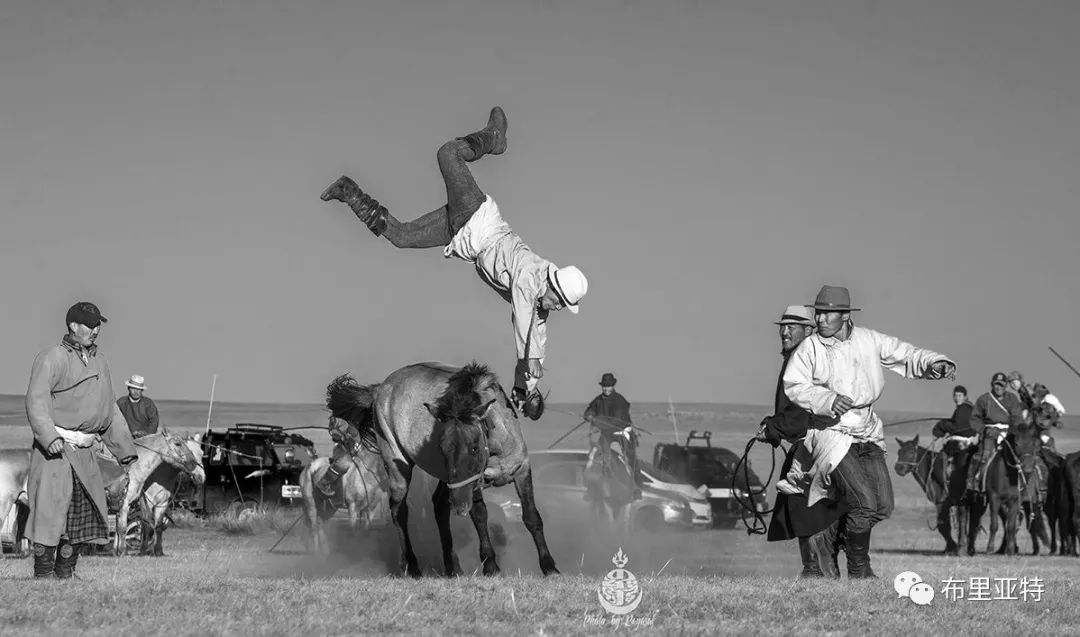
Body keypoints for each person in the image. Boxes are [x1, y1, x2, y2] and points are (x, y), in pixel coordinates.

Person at [320, 107, 588, 421]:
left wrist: (526, 388)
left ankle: (349, 192)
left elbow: (534, 334)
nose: (557, 308)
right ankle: (493, 138)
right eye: (561, 303)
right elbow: (526, 324)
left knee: (402, 237)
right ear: (554, 287)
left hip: (463, 232)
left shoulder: (538, 300)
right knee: (448, 154)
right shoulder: (531, 279)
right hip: (477, 216)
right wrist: (531, 368)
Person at [783, 286, 956, 579]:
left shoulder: (869, 340)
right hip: (832, 434)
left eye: (828, 313)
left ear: (845, 315)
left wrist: (934, 362)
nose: (821, 319)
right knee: (863, 502)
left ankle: (826, 539)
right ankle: (859, 570)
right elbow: (795, 385)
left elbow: (905, 354)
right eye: (819, 313)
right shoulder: (809, 348)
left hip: (867, 431)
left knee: (882, 504)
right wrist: (827, 400)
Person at [24, 302, 138, 578]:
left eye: (98, 324)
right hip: (57, 450)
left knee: (82, 515)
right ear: (73, 326)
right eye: (90, 324)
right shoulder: (52, 357)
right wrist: (48, 435)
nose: (96, 330)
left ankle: (66, 572)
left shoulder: (101, 362)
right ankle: (43, 574)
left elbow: (109, 408)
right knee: (50, 513)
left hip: (86, 452)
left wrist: (125, 450)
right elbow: (36, 399)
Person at [757, 305, 846, 579]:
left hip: (813, 448)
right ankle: (819, 570)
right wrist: (773, 423)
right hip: (818, 445)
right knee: (808, 509)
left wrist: (774, 428)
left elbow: (801, 413)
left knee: (805, 507)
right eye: (782, 327)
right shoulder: (806, 356)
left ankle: (815, 571)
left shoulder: (804, 358)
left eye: (791, 326)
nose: (784, 331)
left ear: (808, 330)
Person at [583, 373, 641, 504]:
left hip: (620, 433)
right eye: (604, 386)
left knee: (628, 459)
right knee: (593, 457)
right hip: (605, 434)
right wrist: (590, 416)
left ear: (613, 386)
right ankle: (591, 489)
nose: (606, 388)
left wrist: (599, 421)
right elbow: (588, 412)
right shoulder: (598, 400)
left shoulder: (620, 401)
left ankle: (636, 488)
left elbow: (618, 421)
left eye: (608, 386)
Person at [965, 372, 1025, 494]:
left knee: (1020, 456)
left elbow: (1017, 418)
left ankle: (1023, 484)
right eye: (996, 384)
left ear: (1005, 386)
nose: (998, 387)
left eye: (1001, 385)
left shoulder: (1012, 399)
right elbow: (974, 419)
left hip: (1008, 434)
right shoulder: (984, 399)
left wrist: (1011, 431)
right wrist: (985, 430)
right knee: (984, 455)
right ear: (992, 384)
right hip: (990, 434)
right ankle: (976, 482)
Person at [931, 385, 976, 508]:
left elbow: (957, 427)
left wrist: (941, 426)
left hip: (961, 443)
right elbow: (955, 424)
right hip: (966, 441)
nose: (957, 398)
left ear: (965, 397)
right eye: (955, 396)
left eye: (959, 396)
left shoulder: (964, 409)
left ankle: (946, 488)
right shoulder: (964, 408)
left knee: (939, 461)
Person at [116, 374, 162, 438]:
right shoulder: (121, 403)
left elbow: (154, 422)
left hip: (146, 439)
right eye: (133, 388)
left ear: (142, 390)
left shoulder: (149, 404)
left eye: (138, 389)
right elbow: (115, 422)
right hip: (124, 438)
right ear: (128, 388)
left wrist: (145, 433)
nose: (136, 391)